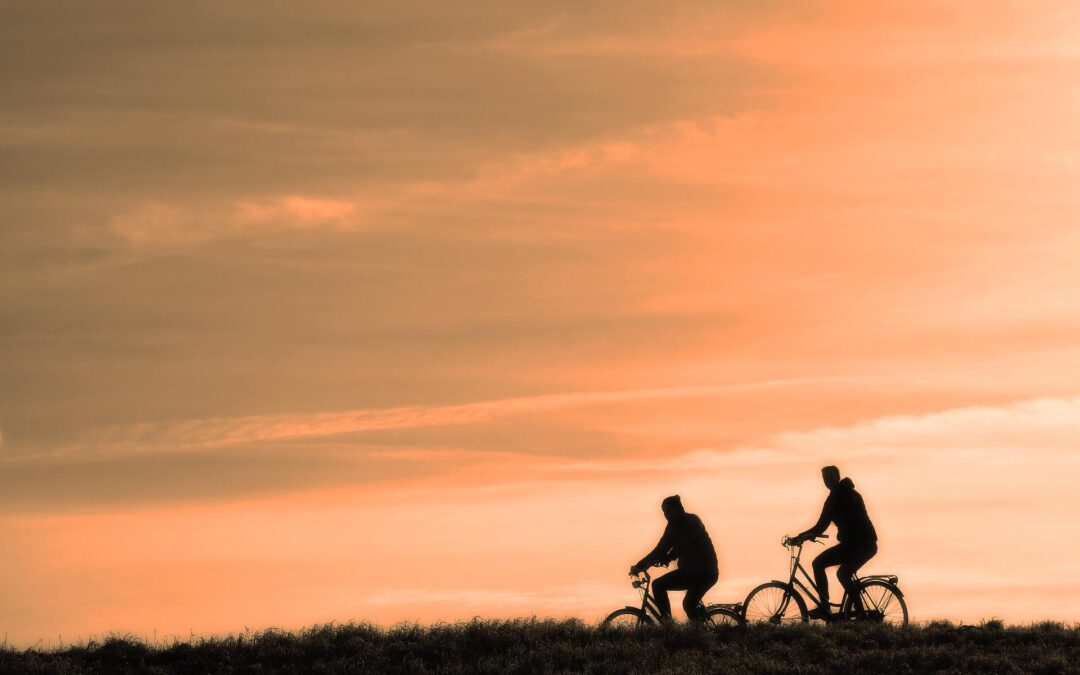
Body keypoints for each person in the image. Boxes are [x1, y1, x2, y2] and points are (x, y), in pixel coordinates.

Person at [789, 465, 878, 619]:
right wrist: (805, 535)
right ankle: (843, 609)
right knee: (836, 570)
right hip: (858, 544)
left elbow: (821, 526)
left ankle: (849, 611)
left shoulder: (838, 497)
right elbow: (821, 526)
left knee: (834, 570)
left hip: (861, 544)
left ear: (837, 477)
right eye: (824, 479)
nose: (827, 481)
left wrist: (800, 537)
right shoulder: (848, 493)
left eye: (829, 478)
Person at [630, 495, 718, 623]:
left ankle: (686, 630)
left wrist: (643, 564)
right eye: (664, 512)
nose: (666, 515)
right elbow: (662, 547)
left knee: (688, 603)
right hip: (689, 572)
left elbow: (682, 544)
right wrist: (646, 563)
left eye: (668, 511)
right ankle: (670, 626)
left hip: (705, 573)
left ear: (678, 509)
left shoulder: (692, 521)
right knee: (659, 585)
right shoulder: (673, 526)